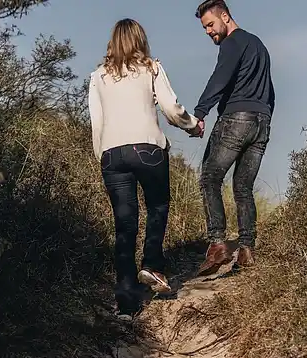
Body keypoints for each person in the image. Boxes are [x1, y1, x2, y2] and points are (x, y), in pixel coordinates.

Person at [88, 18, 201, 318]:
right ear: (140, 40)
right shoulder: (151, 68)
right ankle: (152, 264)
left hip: (112, 155)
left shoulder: (98, 77)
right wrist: (192, 126)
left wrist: (103, 157)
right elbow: (171, 108)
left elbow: (97, 124)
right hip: (148, 149)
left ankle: (126, 304)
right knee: (158, 206)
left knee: (124, 224)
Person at [192, 0, 275, 276]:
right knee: (243, 188)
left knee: (209, 178)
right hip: (261, 122)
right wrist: (264, 118)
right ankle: (246, 250)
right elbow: (270, 90)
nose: (208, 31)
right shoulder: (258, 45)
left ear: (225, 17)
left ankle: (218, 244)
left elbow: (221, 78)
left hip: (236, 119)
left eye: (210, 25)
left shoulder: (232, 43)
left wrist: (200, 112)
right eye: (204, 28)